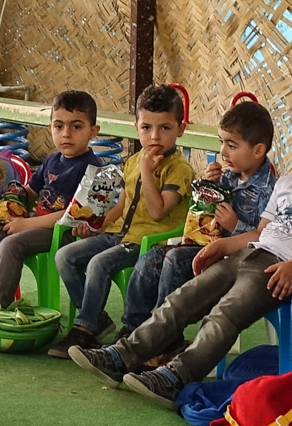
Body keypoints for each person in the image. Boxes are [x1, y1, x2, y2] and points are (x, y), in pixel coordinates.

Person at [69, 103, 292, 405]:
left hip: (280, 269)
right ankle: (120, 356)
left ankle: (176, 377)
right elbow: (259, 233)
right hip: (250, 252)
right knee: (182, 299)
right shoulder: (286, 183)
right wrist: (220, 246)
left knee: (226, 313)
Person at [44, 84, 197, 356]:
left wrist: (149, 173)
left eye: (165, 128)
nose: (154, 136)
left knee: (99, 264)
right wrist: (96, 226)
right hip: (120, 234)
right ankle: (97, 319)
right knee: (65, 256)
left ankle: (85, 329)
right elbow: (123, 204)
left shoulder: (179, 168)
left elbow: (158, 211)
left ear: (180, 129)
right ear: (136, 126)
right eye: (146, 128)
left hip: (148, 241)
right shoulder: (134, 160)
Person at [116, 98, 278, 341]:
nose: (223, 152)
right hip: (205, 245)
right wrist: (208, 185)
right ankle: (133, 330)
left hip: (235, 259)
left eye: (231, 145)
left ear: (258, 150)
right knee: (148, 261)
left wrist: (235, 226)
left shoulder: (269, 190)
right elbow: (201, 214)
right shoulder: (230, 176)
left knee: (174, 259)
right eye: (222, 143)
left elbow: (265, 238)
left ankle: (161, 338)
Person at [0, 90, 103, 321]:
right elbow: (31, 192)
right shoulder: (53, 159)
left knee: (10, 245)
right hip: (26, 223)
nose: (66, 134)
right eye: (59, 126)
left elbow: (71, 216)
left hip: (60, 232)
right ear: (50, 128)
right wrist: (10, 199)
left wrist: (26, 224)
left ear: (93, 131)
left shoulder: (91, 169)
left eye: (76, 127)